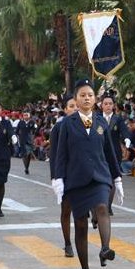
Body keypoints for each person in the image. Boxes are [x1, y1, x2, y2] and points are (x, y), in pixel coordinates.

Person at [51, 79, 124, 269]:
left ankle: (105, 248)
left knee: (102, 208)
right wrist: (58, 179)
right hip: (76, 181)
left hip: (99, 177)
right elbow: (61, 154)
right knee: (81, 226)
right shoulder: (67, 124)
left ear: (95, 99)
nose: (86, 98)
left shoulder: (101, 123)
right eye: (82, 95)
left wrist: (117, 178)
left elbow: (109, 152)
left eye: (90, 95)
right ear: (76, 99)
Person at [49, 95, 78, 258]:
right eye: (71, 106)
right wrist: (55, 177)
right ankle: (68, 243)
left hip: (82, 174)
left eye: (76, 106)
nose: (74, 109)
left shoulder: (87, 124)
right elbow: (53, 155)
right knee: (66, 210)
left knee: (81, 212)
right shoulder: (58, 128)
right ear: (65, 110)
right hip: (65, 175)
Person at [100, 95, 131, 213]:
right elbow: (93, 133)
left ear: (113, 106)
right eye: (105, 103)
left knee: (113, 178)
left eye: (110, 103)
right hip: (100, 152)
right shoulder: (97, 118)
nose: (108, 106)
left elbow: (125, 131)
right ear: (101, 105)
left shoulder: (118, 119)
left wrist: (127, 138)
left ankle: (108, 205)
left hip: (114, 153)